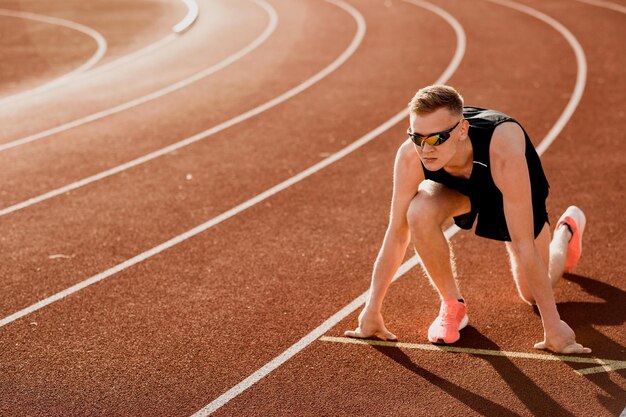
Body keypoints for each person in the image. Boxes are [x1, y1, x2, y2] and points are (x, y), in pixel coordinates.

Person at [345, 85, 590, 354]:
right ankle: (453, 306)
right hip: (460, 190)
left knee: (531, 294)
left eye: (437, 138)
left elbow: (523, 246)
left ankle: (565, 231)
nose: (426, 149)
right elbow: (396, 233)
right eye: (417, 137)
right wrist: (372, 310)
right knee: (417, 212)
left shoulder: (503, 152)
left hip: (508, 191)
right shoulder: (410, 157)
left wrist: (553, 326)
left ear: (462, 130)